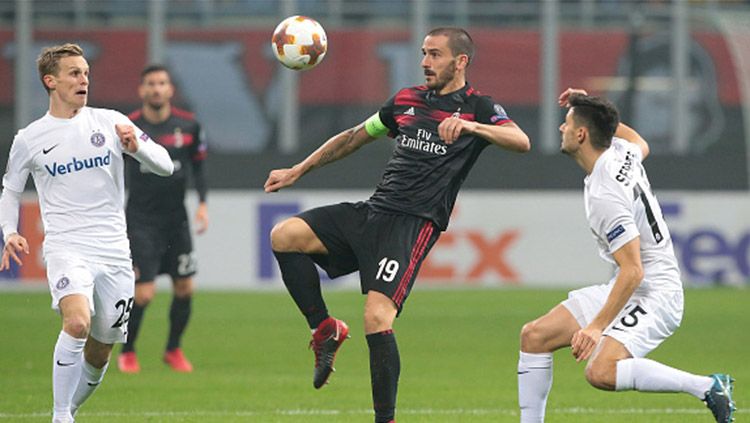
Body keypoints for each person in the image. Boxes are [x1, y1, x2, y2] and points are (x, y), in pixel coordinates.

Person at [265, 27, 530, 423]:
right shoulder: (406, 100)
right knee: (284, 236)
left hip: (411, 224)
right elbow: (356, 136)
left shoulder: (479, 106)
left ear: (461, 62)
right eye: (424, 53)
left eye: (435, 55)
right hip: (373, 211)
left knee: (376, 317)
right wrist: (298, 169)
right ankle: (324, 329)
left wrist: (475, 128)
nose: (425, 62)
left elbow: (520, 140)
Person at [516, 88, 736, 423]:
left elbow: (634, 271)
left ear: (581, 134)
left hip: (656, 294)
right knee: (535, 336)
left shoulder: (607, 195)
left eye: (566, 123)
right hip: (630, 285)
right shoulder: (621, 151)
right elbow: (637, 139)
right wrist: (593, 105)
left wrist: (595, 328)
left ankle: (707, 386)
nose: (561, 128)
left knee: (601, 372)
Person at [0, 43, 173, 423]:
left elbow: (165, 165)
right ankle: (61, 416)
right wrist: (9, 231)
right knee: (76, 322)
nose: (84, 80)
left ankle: (69, 408)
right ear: (51, 81)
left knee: (100, 351)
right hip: (66, 246)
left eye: (86, 74)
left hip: (114, 251)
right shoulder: (30, 138)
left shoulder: (110, 121)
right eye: (75, 73)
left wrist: (137, 149)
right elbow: (11, 188)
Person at [116, 64, 208, 374]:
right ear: (142, 90)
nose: (156, 89)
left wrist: (203, 205)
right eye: (150, 84)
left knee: (185, 288)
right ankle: (127, 351)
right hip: (141, 220)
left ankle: (173, 349)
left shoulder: (189, 126)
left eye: (162, 83)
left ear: (170, 89)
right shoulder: (127, 127)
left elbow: (199, 167)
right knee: (144, 293)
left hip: (176, 220)